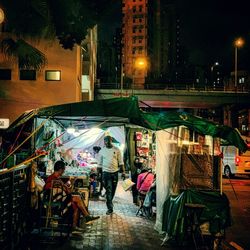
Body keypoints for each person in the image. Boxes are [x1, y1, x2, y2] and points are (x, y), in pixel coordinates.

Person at [44, 160, 100, 232]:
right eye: (63, 169)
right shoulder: (55, 180)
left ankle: (76, 225)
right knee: (77, 198)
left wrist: (70, 184)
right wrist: (70, 184)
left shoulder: (54, 178)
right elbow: (67, 192)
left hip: (59, 198)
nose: (64, 171)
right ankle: (86, 216)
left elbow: (67, 191)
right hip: (56, 201)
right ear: (61, 170)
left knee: (76, 203)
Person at [98, 135, 125, 215]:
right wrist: (98, 174)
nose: (107, 142)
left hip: (115, 173)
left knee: (113, 190)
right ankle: (110, 208)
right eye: (106, 141)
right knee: (109, 190)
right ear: (104, 142)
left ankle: (110, 201)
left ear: (111, 141)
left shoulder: (117, 150)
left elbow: (121, 162)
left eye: (108, 141)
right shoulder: (102, 151)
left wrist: (123, 172)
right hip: (106, 173)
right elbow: (99, 164)